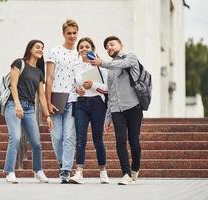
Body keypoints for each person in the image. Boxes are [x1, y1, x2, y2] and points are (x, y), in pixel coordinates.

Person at [90, 36, 143, 185]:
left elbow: (122, 64)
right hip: (117, 110)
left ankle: (135, 169)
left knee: (134, 141)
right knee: (120, 141)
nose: (109, 47)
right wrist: (108, 118)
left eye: (112, 44)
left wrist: (102, 63)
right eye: (107, 46)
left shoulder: (131, 57)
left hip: (134, 107)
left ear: (121, 45)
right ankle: (125, 174)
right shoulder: (110, 69)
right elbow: (111, 94)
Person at [3, 39, 53, 184]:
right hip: (13, 104)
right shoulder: (19, 63)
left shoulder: (38, 72)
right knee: (16, 137)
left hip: (30, 108)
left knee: (36, 142)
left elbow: (41, 96)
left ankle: (38, 171)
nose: (40, 49)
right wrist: (18, 105)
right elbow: (13, 85)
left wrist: (47, 116)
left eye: (42, 48)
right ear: (30, 49)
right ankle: (9, 171)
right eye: (37, 47)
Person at [69, 37, 109, 184]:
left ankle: (103, 172)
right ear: (78, 50)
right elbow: (72, 87)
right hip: (81, 104)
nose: (84, 49)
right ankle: (79, 172)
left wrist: (93, 85)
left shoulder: (100, 66)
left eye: (87, 46)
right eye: (81, 47)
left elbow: (108, 88)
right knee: (81, 139)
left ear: (92, 49)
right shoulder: (75, 66)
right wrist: (77, 89)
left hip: (97, 104)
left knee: (98, 138)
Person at [45, 19, 79, 183]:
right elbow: (49, 78)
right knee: (56, 136)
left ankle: (66, 169)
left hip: (73, 100)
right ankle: (61, 163)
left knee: (69, 136)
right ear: (63, 34)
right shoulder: (54, 52)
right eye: (69, 33)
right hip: (56, 99)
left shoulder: (80, 54)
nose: (72, 36)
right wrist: (48, 101)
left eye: (74, 33)